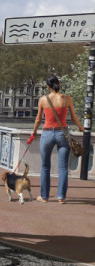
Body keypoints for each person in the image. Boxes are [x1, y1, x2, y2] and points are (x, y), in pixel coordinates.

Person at [29, 75, 82, 204]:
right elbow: (74, 118)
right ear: (59, 83)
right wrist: (82, 128)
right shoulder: (67, 98)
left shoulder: (43, 99)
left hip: (47, 133)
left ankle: (44, 196)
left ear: (47, 86)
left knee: (45, 166)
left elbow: (38, 119)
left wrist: (34, 132)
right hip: (63, 134)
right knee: (63, 167)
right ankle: (61, 197)